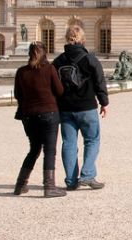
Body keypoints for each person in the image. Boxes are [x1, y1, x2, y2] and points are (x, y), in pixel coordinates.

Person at [53, 24, 109, 191]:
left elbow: (52, 85)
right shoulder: (90, 59)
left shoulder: (58, 61)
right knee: (92, 141)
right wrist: (104, 102)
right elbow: (100, 82)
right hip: (86, 107)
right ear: (82, 39)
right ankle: (87, 175)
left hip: (65, 108)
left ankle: (71, 181)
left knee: (68, 143)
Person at [13, 42, 66, 197]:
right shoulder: (49, 69)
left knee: (34, 150)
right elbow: (60, 90)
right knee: (49, 151)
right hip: (48, 113)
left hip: (28, 116)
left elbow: (18, 95)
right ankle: (49, 187)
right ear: (45, 53)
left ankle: (20, 185)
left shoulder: (21, 72)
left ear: (29, 54)